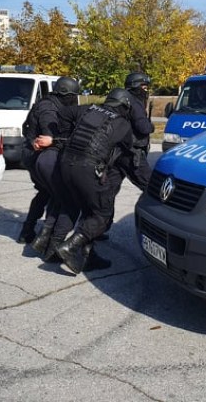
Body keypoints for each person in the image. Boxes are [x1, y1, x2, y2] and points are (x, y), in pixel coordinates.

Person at [52, 88, 134, 274]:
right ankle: (70, 246)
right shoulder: (122, 124)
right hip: (87, 168)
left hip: (65, 164)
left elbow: (64, 113)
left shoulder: (88, 109)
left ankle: (88, 256)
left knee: (86, 209)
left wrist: (66, 135)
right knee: (102, 214)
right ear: (124, 106)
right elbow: (127, 152)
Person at [17, 76, 80, 245]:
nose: (75, 99)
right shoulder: (49, 110)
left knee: (45, 193)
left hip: (31, 155)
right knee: (57, 195)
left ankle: (28, 231)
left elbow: (25, 127)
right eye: (74, 95)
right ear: (66, 94)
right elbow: (49, 136)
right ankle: (45, 236)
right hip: (38, 157)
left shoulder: (46, 102)